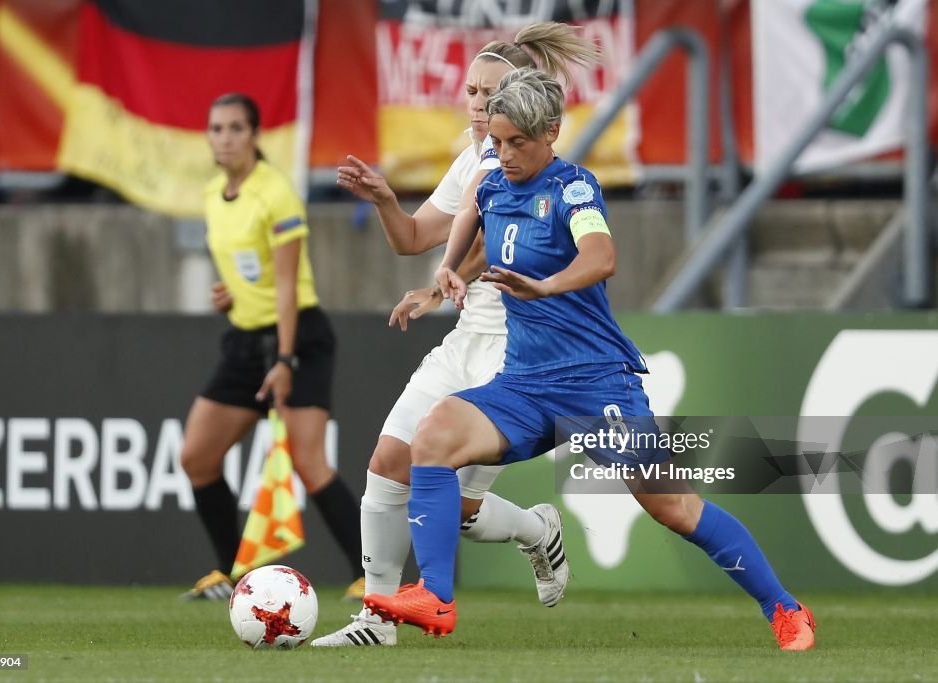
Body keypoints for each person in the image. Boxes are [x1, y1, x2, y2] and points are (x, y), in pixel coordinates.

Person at [363, 68, 817, 652]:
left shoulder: (574, 189)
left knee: (673, 507)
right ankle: (437, 596)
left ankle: (784, 608)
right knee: (433, 437)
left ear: (551, 132)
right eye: (497, 143)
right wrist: (444, 273)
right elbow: (475, 214)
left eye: (517, 143)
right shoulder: (494, 180)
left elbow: (601, 257)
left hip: (595, 382)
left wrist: (544, 288)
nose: (504, 155)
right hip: (524, 383)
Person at [310, 24, 600, 647]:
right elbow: (415, 239)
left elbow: (495, 246)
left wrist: (441, 285)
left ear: (520, 100)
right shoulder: (471, 159)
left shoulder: (532, 166)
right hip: (466, 338)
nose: (475, 104)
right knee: (386, 466)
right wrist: (389, 201)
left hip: (517, 350)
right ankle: (378, 618)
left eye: (489, 93)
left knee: (457, 510)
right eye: (470, 90)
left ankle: (535, 531)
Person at [180, 93, 363, 601]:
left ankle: (370, 576)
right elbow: (251, 274)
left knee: (309, 462)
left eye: (236, 128)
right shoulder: (214, 194)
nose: (225, 138)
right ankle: (229, 574)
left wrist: (284, 360)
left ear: (255, 135)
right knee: (196, 455)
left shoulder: (276, 193)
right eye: (216, 128)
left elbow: (287, 286)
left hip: (297, 336)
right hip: (243, 338)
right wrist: (229, 294)